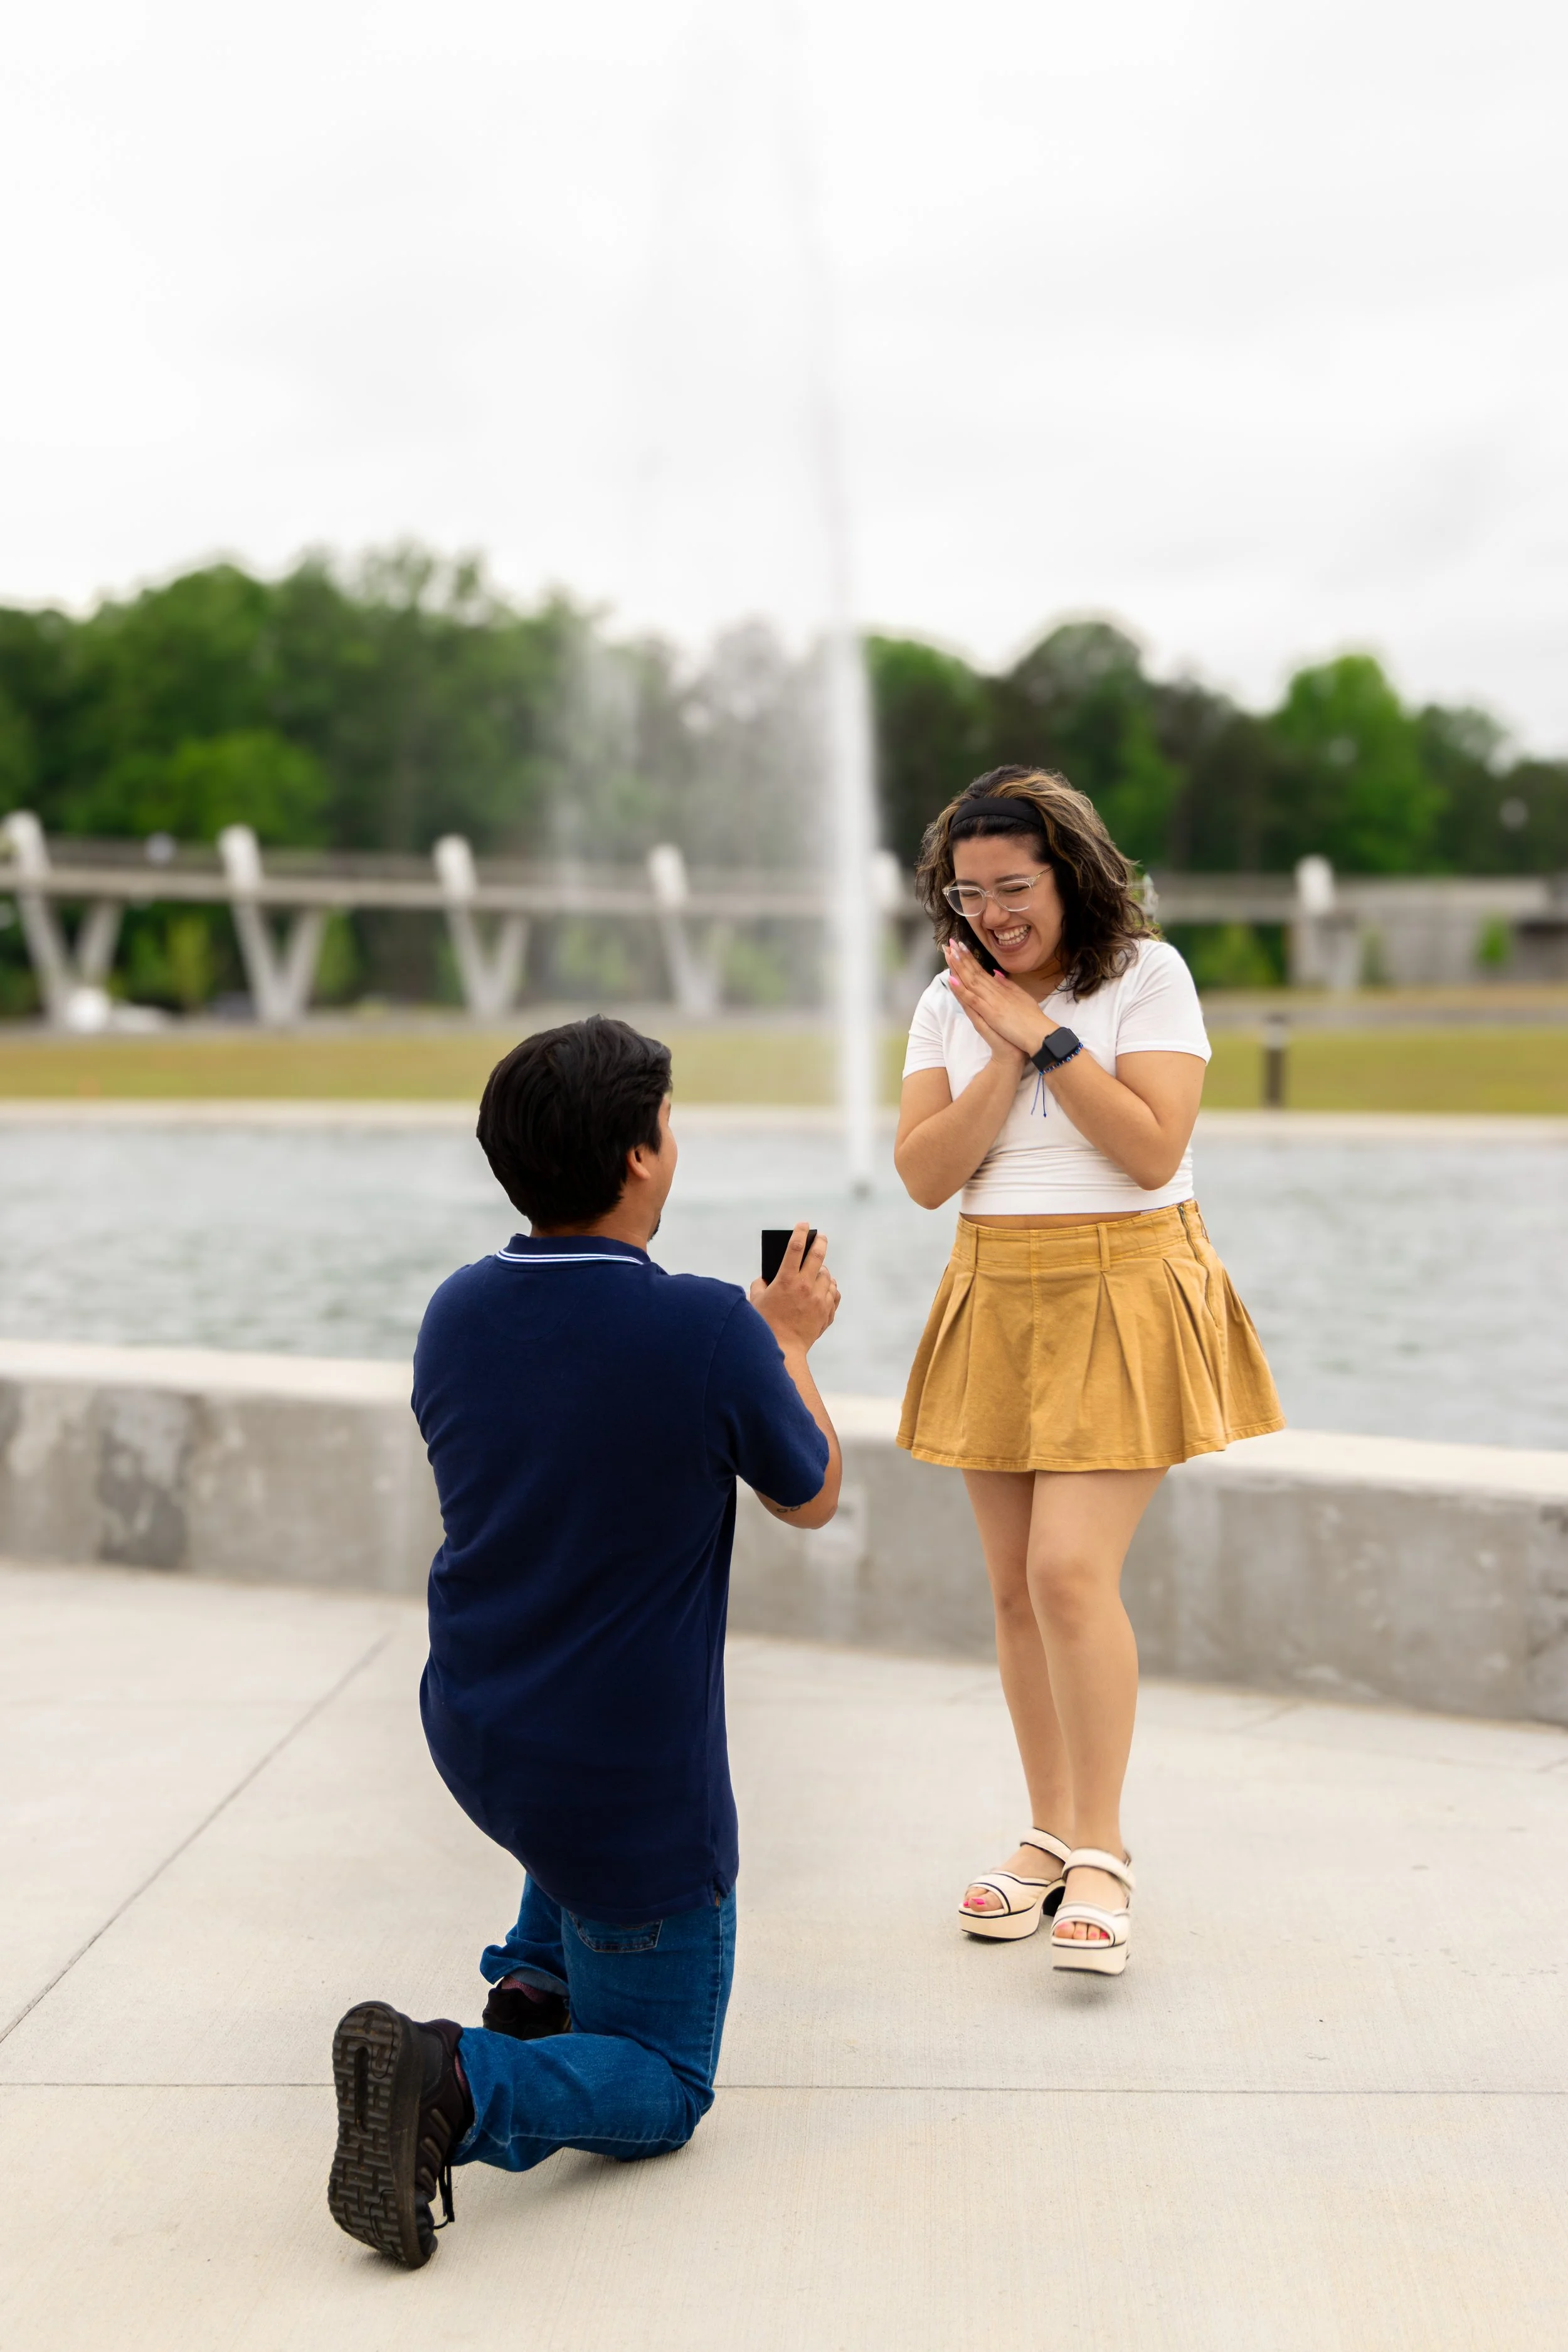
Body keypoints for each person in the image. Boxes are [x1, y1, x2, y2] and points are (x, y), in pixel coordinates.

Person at [327, 1015, 842, 2268]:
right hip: (627, 1779)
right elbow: (810, 1489)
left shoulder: (455, 1309)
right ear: (641, 1157)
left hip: (479, 1724)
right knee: (666, 2081)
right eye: (668, 1121)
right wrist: (788, 1341)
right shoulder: (710, 1328)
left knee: (565, 1793)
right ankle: (463, 2080)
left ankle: (535, 1986)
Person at [894, 767, 1282, 1977]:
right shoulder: (947, 1005)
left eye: (1016, 888)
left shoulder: (1147, 977)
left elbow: (1152, 1143)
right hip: (994, 1288)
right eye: (971, 893)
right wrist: (1001, 1047)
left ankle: (1105, 1852)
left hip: (1127, 1282)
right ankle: (1048, 1831)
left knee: (1069, 1571)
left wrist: (1044, 1033)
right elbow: (923, 1172)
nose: (994, 913)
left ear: (1070, 874)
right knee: (1014, 1587)